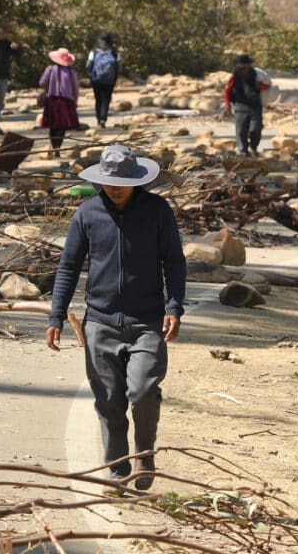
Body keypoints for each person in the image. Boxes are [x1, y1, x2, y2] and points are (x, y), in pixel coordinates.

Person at [46, 145, 187, 492]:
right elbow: (68, 267)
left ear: (137, 181)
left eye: (123, 181)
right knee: (108, 400)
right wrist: (56, 316)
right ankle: (117, 467)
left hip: (147, 321)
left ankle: (145, 454)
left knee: (142, 391)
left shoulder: (157, 211)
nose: (116, 187)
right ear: (100, 180)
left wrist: (174, 307)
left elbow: (175, 260)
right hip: (100, 322)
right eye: (110, 181)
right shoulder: (88, 214)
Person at [222, 54, 270, 156]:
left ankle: (253, 147)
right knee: (241, 130)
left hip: (255, 105)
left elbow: (267, 85)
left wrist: (260, 86)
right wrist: (228, 107)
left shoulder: (257, 74)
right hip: (240, 105)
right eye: (243, 67)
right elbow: (227, 92)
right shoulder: (234, 77)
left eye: (247, 66)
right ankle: (243, 151)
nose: (245, 69)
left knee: (256, 129)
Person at [39, 48, 80, 157]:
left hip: (52, 101)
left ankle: (54, 147)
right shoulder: (72, 72)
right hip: (66, 102)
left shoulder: (50, 69)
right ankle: (58, 147)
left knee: (53, 126)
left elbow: (42, 82)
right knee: (62, 127)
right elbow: (75, 90)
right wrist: (75, 102)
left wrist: (50, 85)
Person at [86, 32, 121, 128]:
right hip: (110, 80)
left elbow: (88, 65)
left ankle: (98, 119)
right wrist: (115, 76)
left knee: (98, 99)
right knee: (106, 98)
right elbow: (119, 66)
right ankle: (103, 119)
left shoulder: (94, 51)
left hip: (96, 79)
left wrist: (90, 75)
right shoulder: (114, 52)